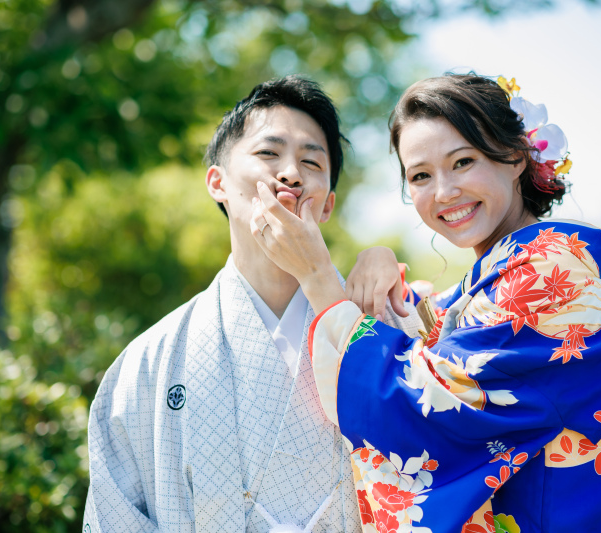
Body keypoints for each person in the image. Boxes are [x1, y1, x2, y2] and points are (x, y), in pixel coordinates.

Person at [250, 74, 601, 532]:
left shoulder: (541, 283)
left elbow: (423, 411)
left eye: (463, 162)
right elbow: (436, 336)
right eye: (421, 176)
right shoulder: (504, 282)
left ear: (515, 157)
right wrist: (378, 260)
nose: (444, 192)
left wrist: (318, 276)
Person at [82, 75, 420, 533]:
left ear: (327, 205)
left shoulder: (387, 321)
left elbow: (439, 462)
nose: (291, 174)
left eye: (311, 161)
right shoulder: (148, 361)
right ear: (217, 182)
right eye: (268, 153)